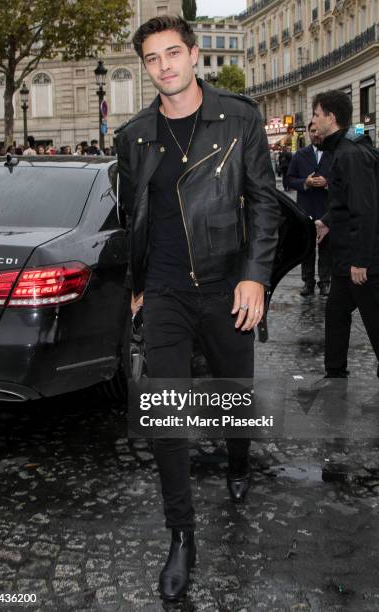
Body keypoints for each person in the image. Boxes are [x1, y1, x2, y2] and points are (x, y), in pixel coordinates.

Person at [115, 15, 280, 602]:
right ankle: (181, 535)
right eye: (152, 58)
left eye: (172, 53)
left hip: (225, 283)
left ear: (193, 53)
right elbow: (132, 215)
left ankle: (239, 460)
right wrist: (136, 286)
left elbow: (263, 202)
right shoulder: (133, 135)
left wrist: (255, 276)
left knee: (235, 392)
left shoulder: (240, 117)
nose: (164, 66)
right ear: (146, 67)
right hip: (164, 292)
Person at [301, 90, 379, 397]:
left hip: (363, 260)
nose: (314, 120)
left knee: (375, 323)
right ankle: (335, 375)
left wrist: (361, 261)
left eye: (317, 114)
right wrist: (326, 221)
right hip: (347, 256)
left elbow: (365, 209)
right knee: (335, 314)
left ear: (331, 117)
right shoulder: (344, 150)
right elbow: (346, 203)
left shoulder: (350, 154)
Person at [287, 122, 332, 297]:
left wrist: (327, 182)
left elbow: (341, 179)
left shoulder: (332, 154)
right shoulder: (300, 155)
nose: (315, 134)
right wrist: (305, 182)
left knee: (326, 248)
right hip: (305, 209)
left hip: (326, 210)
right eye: (312, 131)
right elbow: (289, 179)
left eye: (318, 131)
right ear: (308, 134)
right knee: (307, 248)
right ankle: (308, 282)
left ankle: (325, 282)